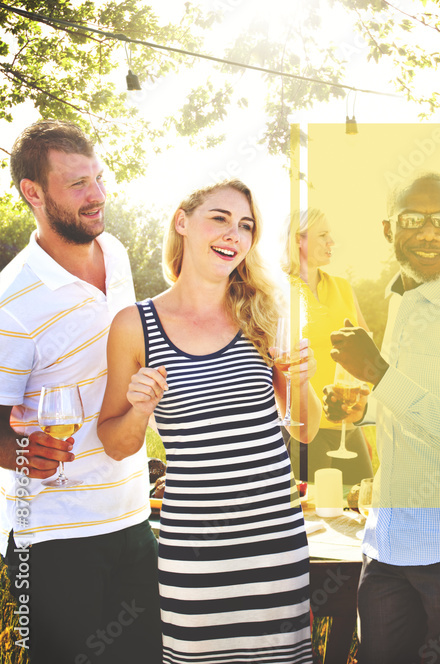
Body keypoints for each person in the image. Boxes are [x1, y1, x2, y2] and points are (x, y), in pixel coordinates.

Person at [96, 179, 321, 663]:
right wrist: (139, 409)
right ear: (182, 222)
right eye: (219, 218)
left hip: (273, 544)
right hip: (194, 550)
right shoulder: (134, 325)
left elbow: (305, 431)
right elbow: (115, 443)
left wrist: (301, 381)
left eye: (246, 225)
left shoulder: (265, 313)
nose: (234, 234)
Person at [324, 172, 440, 663]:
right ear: (389, 229)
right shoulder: (400, 301)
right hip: (388, 541)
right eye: (413, 219)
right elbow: (416, 408)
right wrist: (365, 409)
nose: (430, 232)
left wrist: (380, 376)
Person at [0, 119, 160, 663]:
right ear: (33, 193)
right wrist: (20, 451)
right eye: (77, 185)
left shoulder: (113, 253)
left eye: (97, 178)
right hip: (53, 537)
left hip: (131, 513)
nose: (96, 197)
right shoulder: (13, 302)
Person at [279, 208, 373, 486]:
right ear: (298, 240)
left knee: (363, 505)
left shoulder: (343, 287)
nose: (332, 242)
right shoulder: (278, 291)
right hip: (304, 427)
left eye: (330, 235)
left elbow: (365, 348)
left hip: (346, 425)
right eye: (323, 235)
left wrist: (361, 417)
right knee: (312, 518)